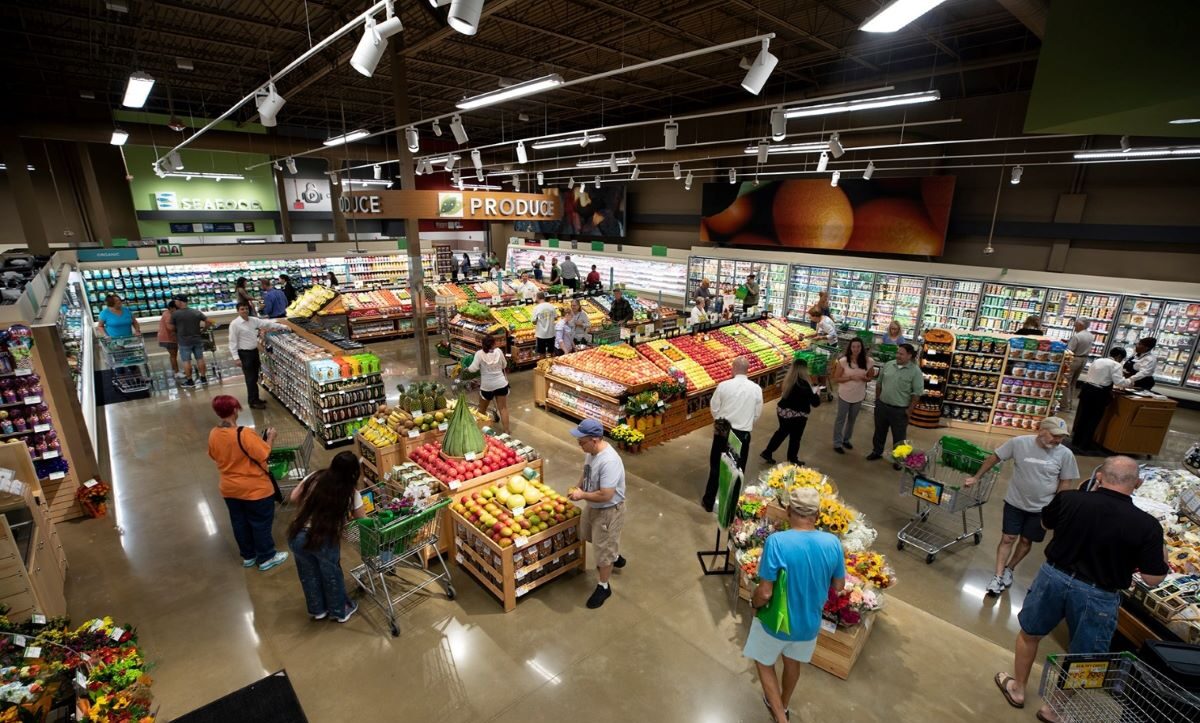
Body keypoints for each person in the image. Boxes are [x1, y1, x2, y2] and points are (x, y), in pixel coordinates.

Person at [993, 456, 1167, 721]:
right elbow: (1153, 578)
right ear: (1139, 483)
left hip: (1053, 576)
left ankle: (1017, 688)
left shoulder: (1070, 499)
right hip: (1099, 595)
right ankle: (1054, 708)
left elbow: (1044, 524)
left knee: (1030, 633)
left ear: (1099, 476)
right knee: (1087, 657)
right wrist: (1161, 548)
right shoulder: (1147, 526)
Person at [746, 486, 845, 723]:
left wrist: (754, 602)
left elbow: (766, 592)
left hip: (777, 621)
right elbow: (839, 586)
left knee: (762, 660)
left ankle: (780, 716)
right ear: (818, 514)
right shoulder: (832, 543)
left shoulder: (777, 542)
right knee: (793, 663)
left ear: (788, 510)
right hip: (809, 623)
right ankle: (785, 704)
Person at [966, 417, 1080, 596]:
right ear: (1042, 430)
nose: (1058, 440)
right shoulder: (1019, 443)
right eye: (1054, 435)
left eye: (1061, 437)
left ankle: (1010, 569)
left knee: (1026, 541)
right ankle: (998, 575)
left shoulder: (1065, 454)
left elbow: (1065, 482)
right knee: (1007, 539)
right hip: (1014, 502)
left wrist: (1057, 508)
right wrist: (976, 477)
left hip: (1042, 509)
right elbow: (994, 457)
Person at [206, 395, 289, 572]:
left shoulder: (213, 433)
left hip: (229, 489)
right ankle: (267, 556)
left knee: (240, 522)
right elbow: (264, 454)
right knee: (260, 522)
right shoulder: (243, 433)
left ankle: (249, 556)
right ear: (235, 410)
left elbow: (213, 455)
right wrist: (271, 437)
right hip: (255, 488)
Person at [286, 452, 365, 623]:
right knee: (331, 574)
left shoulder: (314, 477)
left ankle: (318, 610)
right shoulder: (352, 493)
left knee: (308, 572)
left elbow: (293, 497)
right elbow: (363, 521)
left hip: (298, 535)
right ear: (353, 473)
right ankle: (339, 610)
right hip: (324, 539)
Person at [567, 419, 627, 609]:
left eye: (581, 441)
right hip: (594, 506)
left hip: (609, 510)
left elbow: (606, 494)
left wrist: (582, 494)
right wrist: (578, 486)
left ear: (594, 439)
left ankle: (604, 585)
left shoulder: (609, 461)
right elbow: (586, 472)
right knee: (588, 534)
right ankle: (614, 555)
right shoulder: (591, 452)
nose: (579, 445)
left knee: (602, 554)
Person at [702, 356, 763, 511]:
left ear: (733, 368)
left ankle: (709, 501)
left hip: (723, 431)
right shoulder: (756, 389)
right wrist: (746, 422)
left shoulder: (723, 385)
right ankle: (731, 503)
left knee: (716, 465)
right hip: (742, 433)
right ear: (747, 369)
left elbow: (714, 407)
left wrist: (719, 421)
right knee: (738, 468)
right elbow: (757, 413)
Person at [866, 343, 923, 468]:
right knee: (879, 431)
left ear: (909, 355)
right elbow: (879, 383)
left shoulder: (915, 371)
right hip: (882, 406)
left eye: (901, 354)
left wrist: (910, 410)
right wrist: (877, 400)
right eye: (897, 353)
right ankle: (877, 451)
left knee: (899, 437)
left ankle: (899, 459)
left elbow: (917, 393)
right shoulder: (888, 365)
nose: (898, 355)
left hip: (900, 410)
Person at [760, 359, 821, 466]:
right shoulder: (804, 384)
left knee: (781, 432)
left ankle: (767, 452)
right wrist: (816, 392)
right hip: (797, 414)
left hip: (783, 411)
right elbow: (815, 403)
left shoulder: (789, 380)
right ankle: (792, 459)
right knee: (795, 437)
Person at [229, 301, 288, 409]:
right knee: (250, 378)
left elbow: (267, 324)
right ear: (238, 311)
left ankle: (255, 398)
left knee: (255, 376)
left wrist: (283, 326)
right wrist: (236, 358)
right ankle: (252, 401)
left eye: (246, 308)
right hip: (244, 354)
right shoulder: (235, 324)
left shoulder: (253, 320)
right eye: (242, 309)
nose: (245, 311)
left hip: (254, 352)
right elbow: (232, 342)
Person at [1071, 347, 1129, 452]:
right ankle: (1085, 444)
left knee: (1083, 416)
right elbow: (1119, 382)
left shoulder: (1097, 360)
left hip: (1086, 389)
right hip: (1099, 393)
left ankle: (1075, 440)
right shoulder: (1116, 365)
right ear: (1119, 356)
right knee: (1093, 419)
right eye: (1122, 359)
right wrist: (1130, 381)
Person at [832, 337, 875, 454]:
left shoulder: (869, 361)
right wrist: (851, 377)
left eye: (858, 347)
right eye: (853, 347)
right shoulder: (843, 361)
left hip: (859, 395)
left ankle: (846, 439)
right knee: (840, 419)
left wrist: (866, 378)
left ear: (862, 348)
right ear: (850, 348)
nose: (856, 349)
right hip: (844, 395)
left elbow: (871, 377)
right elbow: (836, 378)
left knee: (852, 419)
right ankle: (837, 442)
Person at [467, 335, 510, 434]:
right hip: (501, 384)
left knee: (482, 410)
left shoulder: (479, 354)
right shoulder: (499, 351)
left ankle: (479, 430)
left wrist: (466, 369)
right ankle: (507, 431)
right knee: (503, 408)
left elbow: (473, 369)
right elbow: (505, 365)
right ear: (494, 344)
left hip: (487, 387)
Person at [170, 295, 213, 387]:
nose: (175, 303)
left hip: (184, 341)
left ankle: (190, 381)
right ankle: (203, 378)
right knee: (200, 359)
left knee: (186, 361)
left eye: (175, 301)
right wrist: (204, 330)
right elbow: (209, 321)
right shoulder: (196, 312)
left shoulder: (175, 314)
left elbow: (171, 328)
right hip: (197, 339)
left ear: (180, 301)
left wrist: (177, 330)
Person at [1061, 319, 1095, 412]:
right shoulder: (1090, 335)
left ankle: (1064, 406)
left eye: (1076, 324)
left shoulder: (1077, 336)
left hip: (1074, 359)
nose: (1074, 326)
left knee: (1065, 382)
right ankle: (1070, 404)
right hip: (1084, 359)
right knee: (1073, 383)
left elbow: (1069, 350)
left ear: (1081, 325)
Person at [156, 299, 184, 381]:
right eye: (176, 308)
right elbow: (170, 328)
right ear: (171, 308)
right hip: (168, 338)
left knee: (173, 355)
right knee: (173, 355)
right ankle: (176, 372)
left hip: (167, 337)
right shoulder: (169, 315)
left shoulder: (166, 313)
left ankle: (175, 370)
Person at [532, 292, 557, 357]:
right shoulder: (551, 306)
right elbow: (555, 317)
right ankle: (552, 365)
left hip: (541, 334)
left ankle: (543, 366)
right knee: (552, 352)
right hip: (551, 333)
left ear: (537, 298)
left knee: (541, 353)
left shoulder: (536, 308)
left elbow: (534, 322)